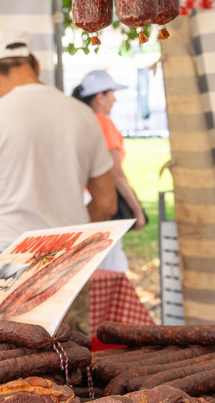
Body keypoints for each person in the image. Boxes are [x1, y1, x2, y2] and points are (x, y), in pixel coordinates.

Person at [0, 31, 117, 256]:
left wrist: (4, 247)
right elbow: (106, 203)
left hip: (13, 258)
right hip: (72, 256)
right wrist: (71, 241)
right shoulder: (84, 115)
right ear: (36, 66)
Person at [71, 70, 147, 274]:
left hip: (78, 200)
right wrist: (137, 209)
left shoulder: (78, 122)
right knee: (112, 266)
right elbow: (115, 172)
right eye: (112, 94)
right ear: (99, 97)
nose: (115, 100)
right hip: (100, 198)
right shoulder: (103, 123)